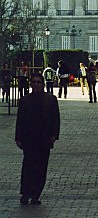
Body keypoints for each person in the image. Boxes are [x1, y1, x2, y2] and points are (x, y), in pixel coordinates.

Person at [15, 72, 60, 205]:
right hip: (29, 139)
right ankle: (25, 192)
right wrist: (18, 137)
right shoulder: (24, 100)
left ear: (42, 84)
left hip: (44, 138)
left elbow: (55, 119)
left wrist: (54, 135)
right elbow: (20, 120)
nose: (36, 84)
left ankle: (36, 194)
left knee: (41, 167)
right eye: (33, 82)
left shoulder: (51, 100)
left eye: (38, 82)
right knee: (28, 166)